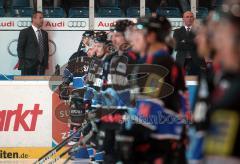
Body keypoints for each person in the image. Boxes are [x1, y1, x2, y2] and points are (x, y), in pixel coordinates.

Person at [17, 11, 49, 75]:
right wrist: (24, 64)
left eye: (42, 18)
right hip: (28, 66)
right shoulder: (25, 32)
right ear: (34, 19)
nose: (42, 20)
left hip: (41, 66)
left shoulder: (45, 33)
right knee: (27, 85)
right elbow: (20, 49)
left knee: (40, 85)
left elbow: (46, 49)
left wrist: (45, 62)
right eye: (40, 18)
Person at [173, 11, 205, 75]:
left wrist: (184, 41)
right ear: (183, 19)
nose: (189, 18)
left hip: (196, 61)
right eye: (187, 17)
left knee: (197, 82)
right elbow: (177, 46)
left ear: (194, 19)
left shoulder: (199, 31)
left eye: (191, 17)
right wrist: (193, 42)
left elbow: (200, 45)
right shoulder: (177, 31)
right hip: (181, 61)